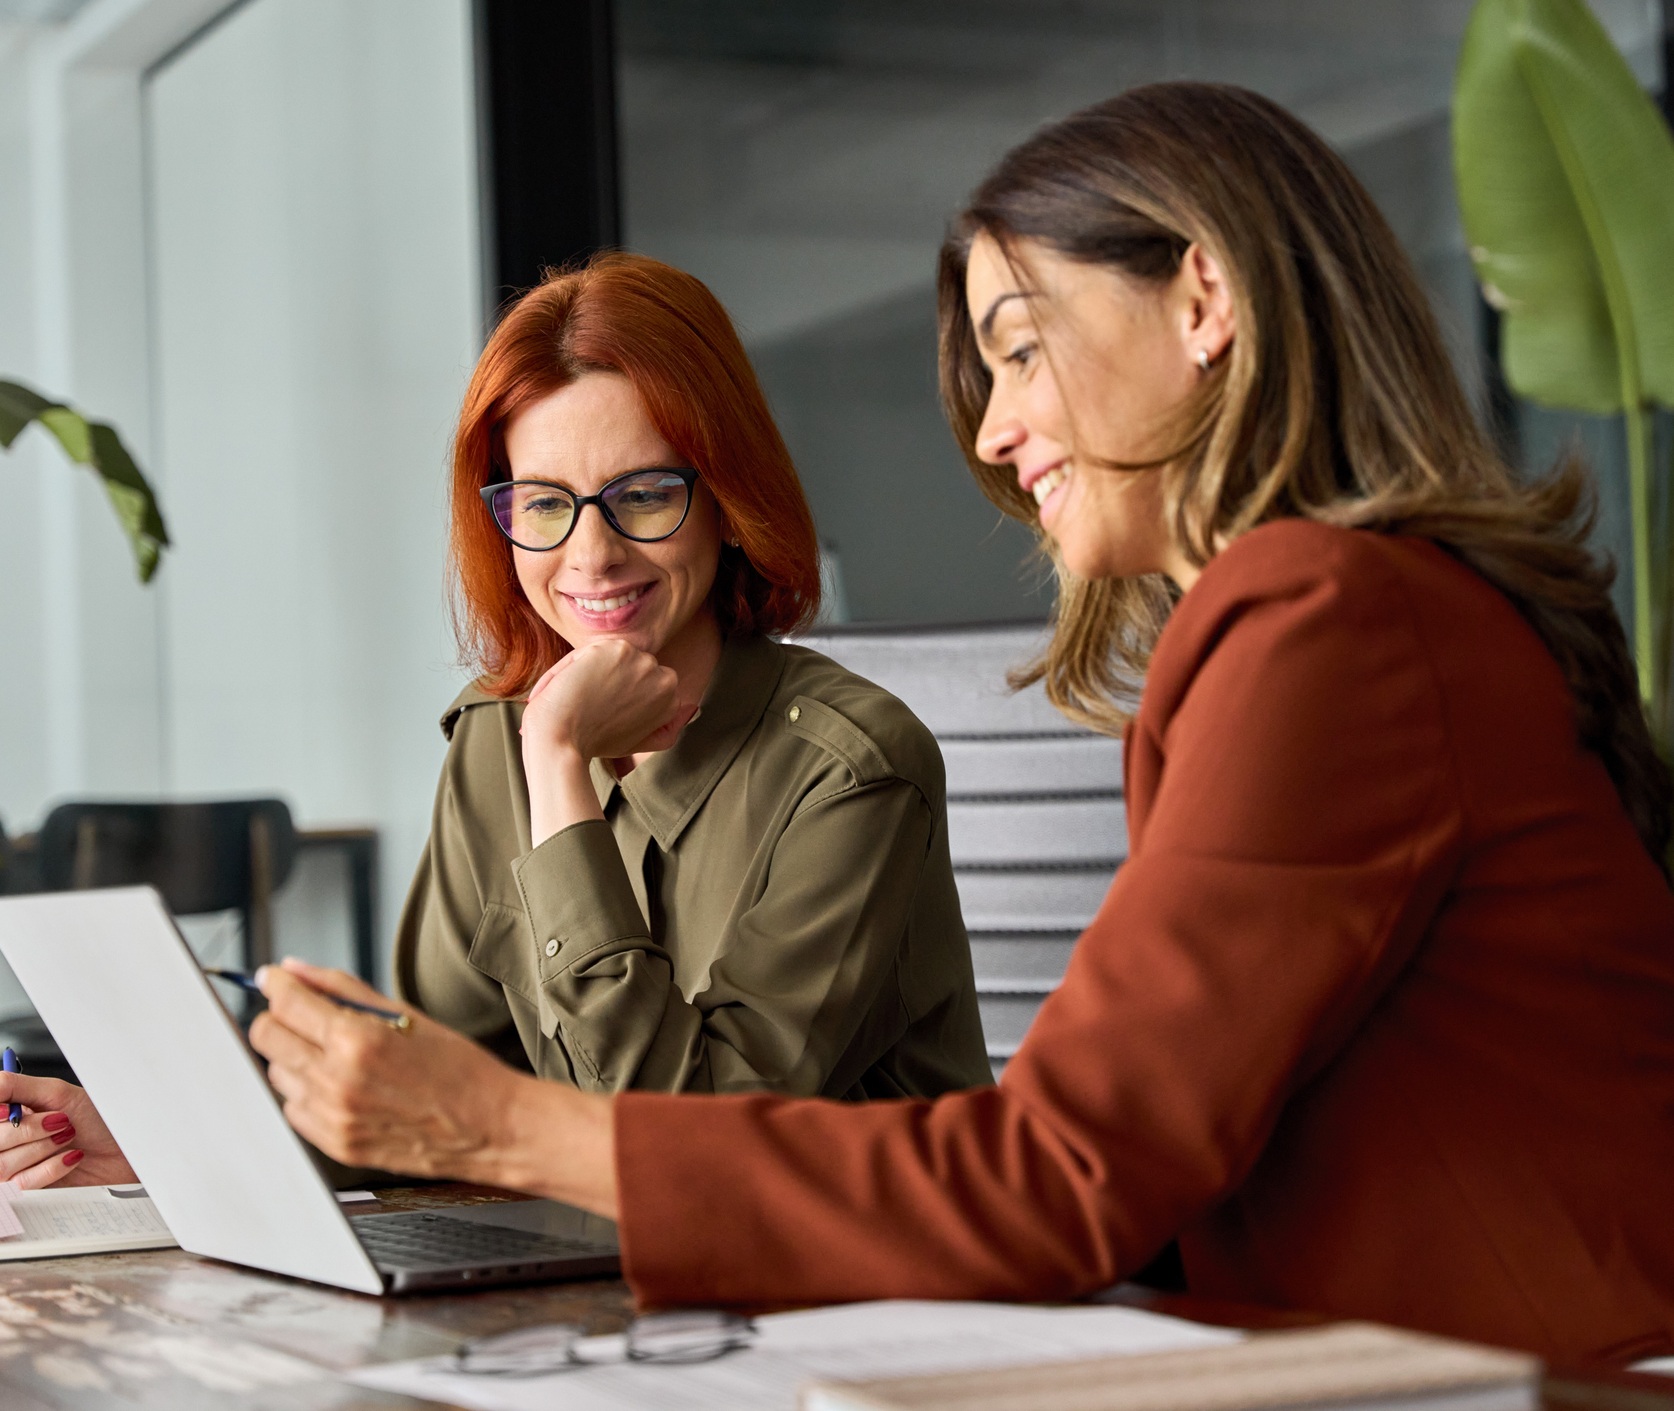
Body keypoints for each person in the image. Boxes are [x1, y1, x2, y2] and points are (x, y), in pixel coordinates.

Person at [11, 82, 1674, 1363]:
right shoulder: (1344, 615)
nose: (997, 428)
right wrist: (203, 1111)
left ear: (1203, 302)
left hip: (1508, 1374)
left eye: (1016, 350)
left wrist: (492, 1120)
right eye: (982, 371)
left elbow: (1054, 1179)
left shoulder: (1323, 616)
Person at [0, 253, 991, 1179]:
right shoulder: (490, 736)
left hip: (840, 1302)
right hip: (575, 1285)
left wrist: (558, 768)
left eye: (643, 494)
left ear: (726, 497)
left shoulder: (851, 769)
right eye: (545, 504)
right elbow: (427, 1087)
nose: (591, 556)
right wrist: (165, 1139)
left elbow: (681, 1147)